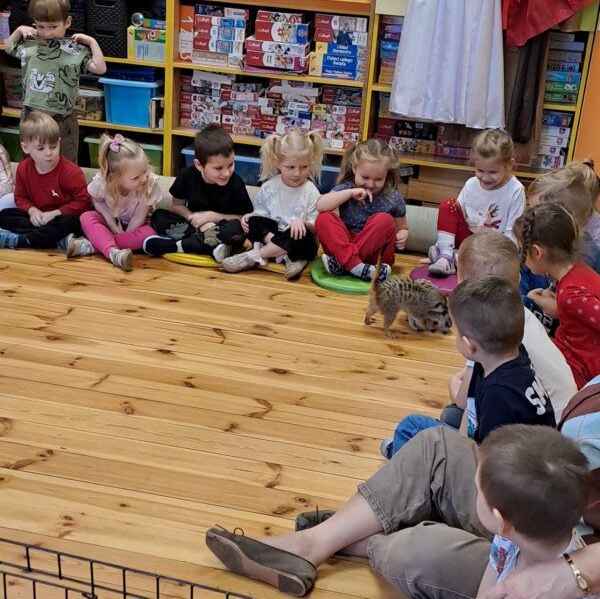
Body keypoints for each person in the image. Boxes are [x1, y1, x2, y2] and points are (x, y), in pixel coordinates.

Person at [204, 375, 600, 599]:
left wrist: (576, 574)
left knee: (418, 549)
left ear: (501, 520)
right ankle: (315, 544)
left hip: (552, 536)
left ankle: (357, 534)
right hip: (545, 509)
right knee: (433, 443)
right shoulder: (510, 540)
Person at [380, 232, 577, 458]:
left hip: (519, 460)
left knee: (413, 426)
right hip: (557, 432)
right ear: (517, 281)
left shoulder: (484, 337)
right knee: (451, 416)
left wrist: (455, 386)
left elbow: (478, 439)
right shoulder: (513, 324)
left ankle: (408, 456)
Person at [475, 425, 589, 597]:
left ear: (501, 521)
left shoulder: (563, 592)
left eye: (478, 491)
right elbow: (491, 577)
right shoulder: (513, 532)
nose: (476, 494)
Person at [4, 0, 107, 163]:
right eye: (40, 26)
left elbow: (100, 68)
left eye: (53, 27)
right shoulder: (31, 44)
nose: (46, 33)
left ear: (67, 22)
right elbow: (9, 47)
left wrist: (92, 42)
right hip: (31, 113)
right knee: (31, 158)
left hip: (61, 117)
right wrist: (19, 30)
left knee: (65, 160)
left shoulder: (75, 49)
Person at [514, 203, 600, 389]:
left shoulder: (570, 294)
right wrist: (557, 307)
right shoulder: (578, 268)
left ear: (537, 252)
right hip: (573, 352)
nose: (522, 257)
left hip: (578, 370)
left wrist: (561, 304)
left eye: (522, 250)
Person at [221, 128, 323, 280]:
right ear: (278, 162)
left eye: (304, 167)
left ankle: (255, 256)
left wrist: (303, 223)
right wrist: (250, 216)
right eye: (291, 167)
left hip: (300, 243)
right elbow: (261, 214)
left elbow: (316, 229)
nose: (297, 173)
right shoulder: (269, 186)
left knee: (298, 233)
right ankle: (284, 253)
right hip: (274, 236)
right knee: (251, 221)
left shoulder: (311, 191)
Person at [144, 124, 253, 264]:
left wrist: (210, 217)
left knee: (236, 229)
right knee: (158, 216)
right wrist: (194, 219)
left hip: (222, 228)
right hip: (193, 226)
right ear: (199, 165)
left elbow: (243, 218)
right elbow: (176, 207)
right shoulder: (187, 175)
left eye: (231, 164)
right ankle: (211, 246)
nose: (226, 173)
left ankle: (176, 246)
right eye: (218, 168)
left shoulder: (236, 183)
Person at [427, 128, 525, 277]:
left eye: (492, 172)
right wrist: (442, 246)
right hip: (467, 242)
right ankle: (446, 256)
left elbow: (512, 235)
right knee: (448, 205)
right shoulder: (471, 184)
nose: (485, 177)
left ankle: (458, 258)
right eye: (480, 170)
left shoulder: (515, 190)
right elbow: (454, 219)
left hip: (494, 249)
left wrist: (499, 261)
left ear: (509, 165)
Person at [65, 134, 162, 272]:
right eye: (136, 177)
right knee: (86, 217)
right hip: (111, 222)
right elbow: (98, 202)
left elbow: (139, 216)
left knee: (151, 232)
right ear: (114, 178)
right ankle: (114, 252)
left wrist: (124, 235)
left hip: (135, 227)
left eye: (145, 170)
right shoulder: (103, 182)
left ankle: (92, 246)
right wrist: (112, 225)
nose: (144, 178)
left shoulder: (149, 184)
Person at [315, 138, 408, 282]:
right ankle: (355, 266)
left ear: (387, 174)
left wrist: (403, 234)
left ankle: (346, 264)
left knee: (384, 220)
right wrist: (349, 193)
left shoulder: (393, 197)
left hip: (376, 256)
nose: (370, 184)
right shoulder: (347, 188)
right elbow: (320, 206)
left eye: (378, 179)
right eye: (365, 177)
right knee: (324, 218)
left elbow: (402, 227)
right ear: (354, 168)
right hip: (346, 247)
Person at [0, 111, 88, 250]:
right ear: (25, 147)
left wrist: (55, 213)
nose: (49, 153)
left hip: (60, 218)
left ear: (59, 142)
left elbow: (83, 202)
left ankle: (25, 240)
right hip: (39, 218)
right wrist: (32, 211)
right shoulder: (23, 168)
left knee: (72, 221)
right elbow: (20, 197)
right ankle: (56, 241)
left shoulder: (72, 172)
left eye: (53, 146)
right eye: (40, 148)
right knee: (5, 215)